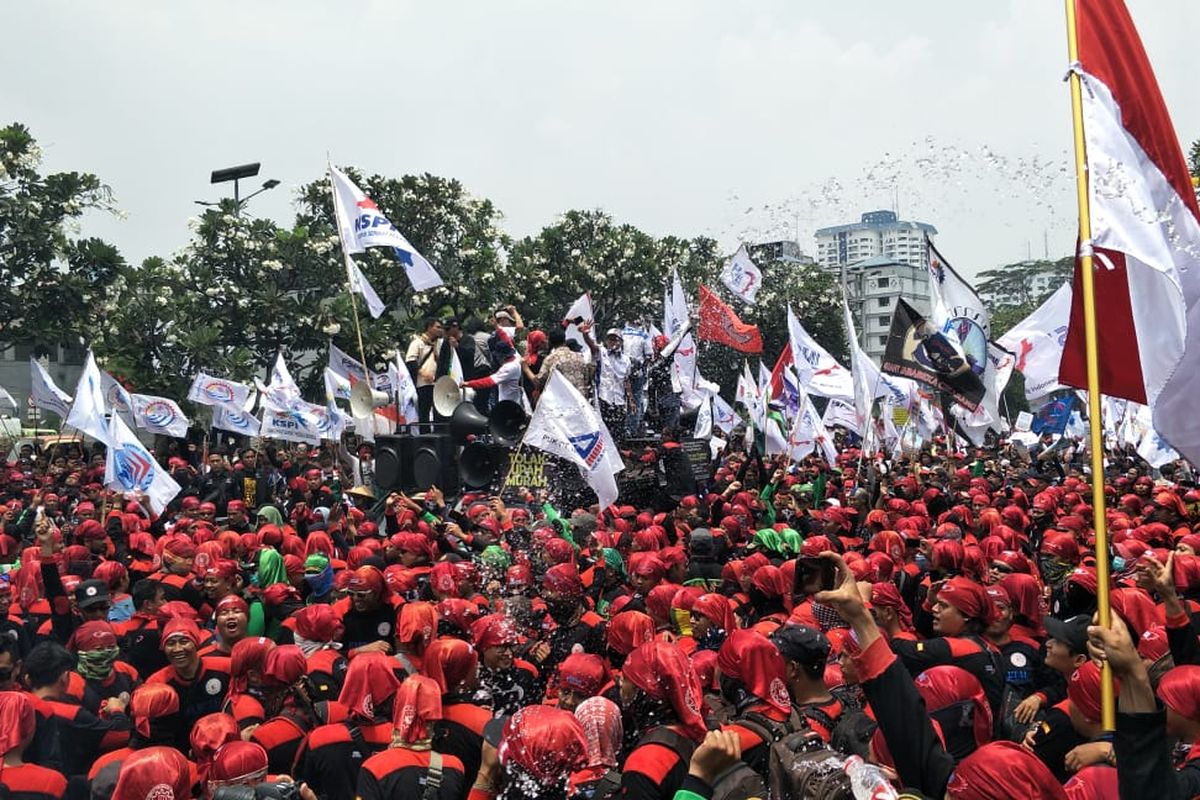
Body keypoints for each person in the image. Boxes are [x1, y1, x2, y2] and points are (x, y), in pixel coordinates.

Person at [406, 317, 445, 422]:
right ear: (429, 327)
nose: (440, 329)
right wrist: (424, 374)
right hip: (423, 383)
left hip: (437, 383)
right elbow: (410, 361)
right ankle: (424, 436)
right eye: (437, 327)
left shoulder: (439, 344)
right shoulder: (417, 343)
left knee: (439, 411)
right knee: (424, 412)